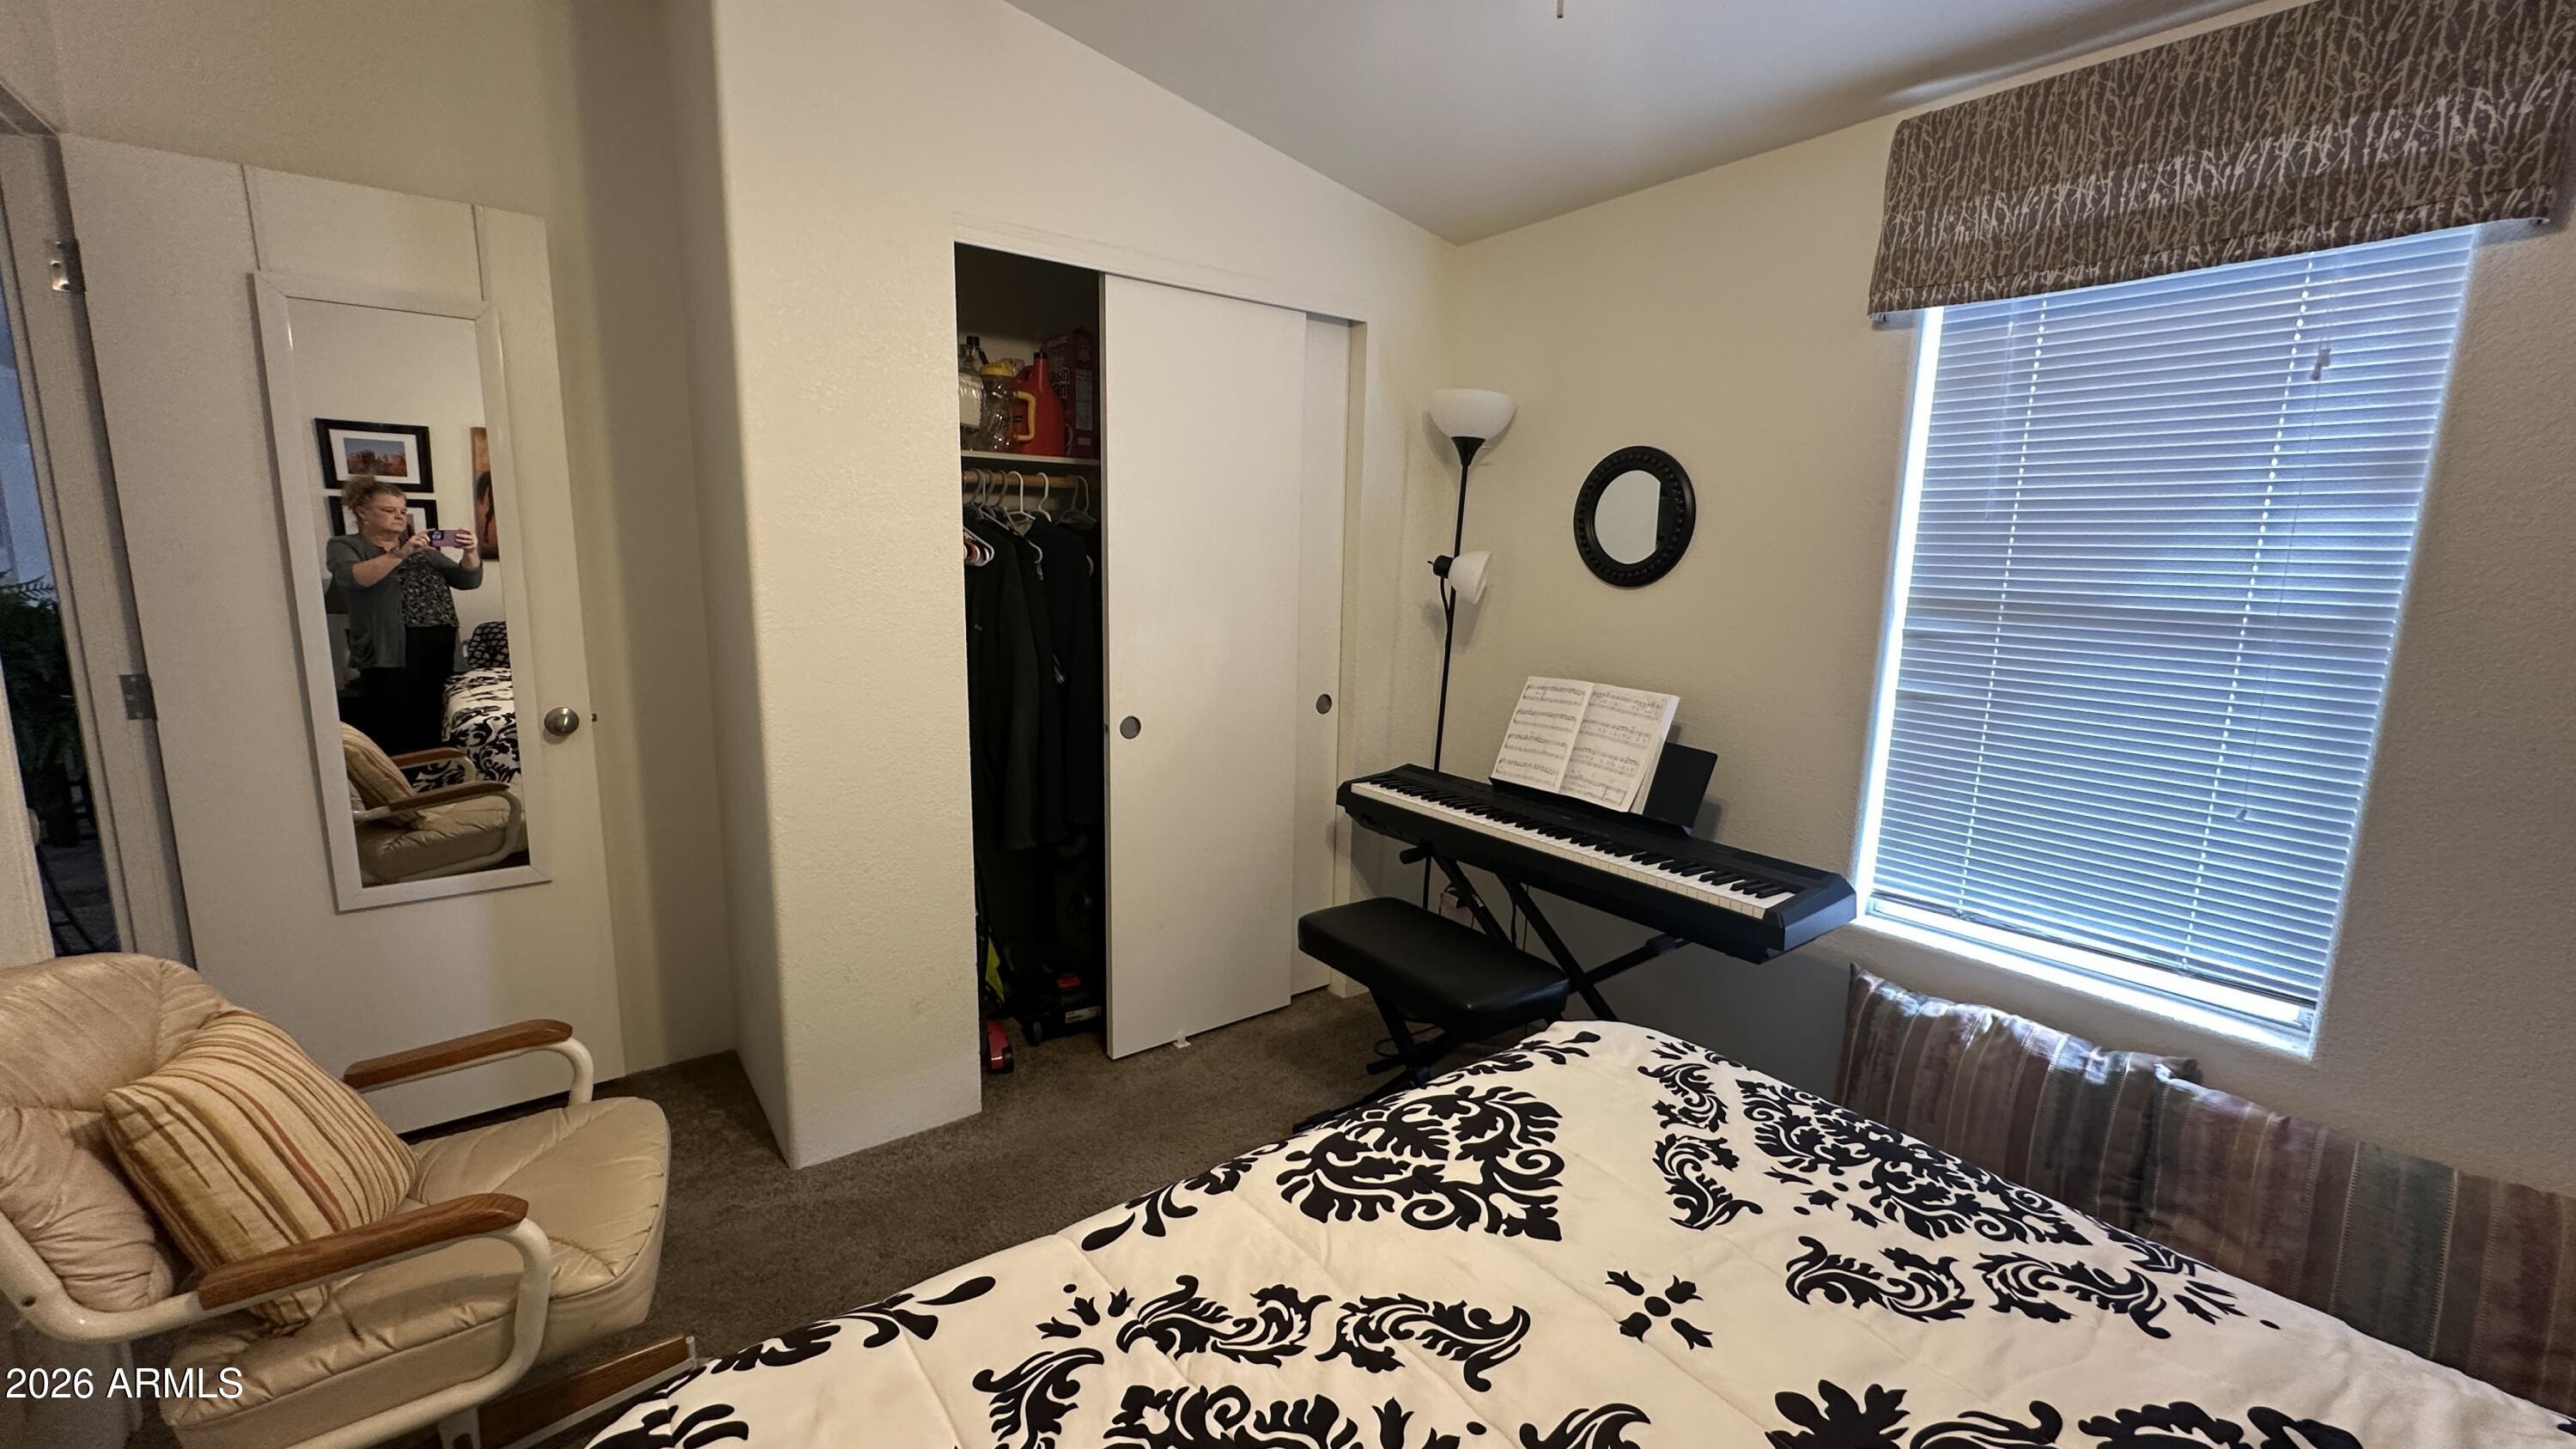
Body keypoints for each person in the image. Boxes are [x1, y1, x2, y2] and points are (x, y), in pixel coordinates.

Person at [325, 476, 481, 752]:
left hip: (439, 640)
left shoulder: (425, 551)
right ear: (363, 512)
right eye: (388, 510)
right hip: (390, 647)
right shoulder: (346, 545)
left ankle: (438, 776)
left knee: (436, 713)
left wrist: (470, 553)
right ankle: (400, 782)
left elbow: (467, 580)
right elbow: (355, 578)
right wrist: (400, 553)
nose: (398, 516)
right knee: (395, 719)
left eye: (401, 510)